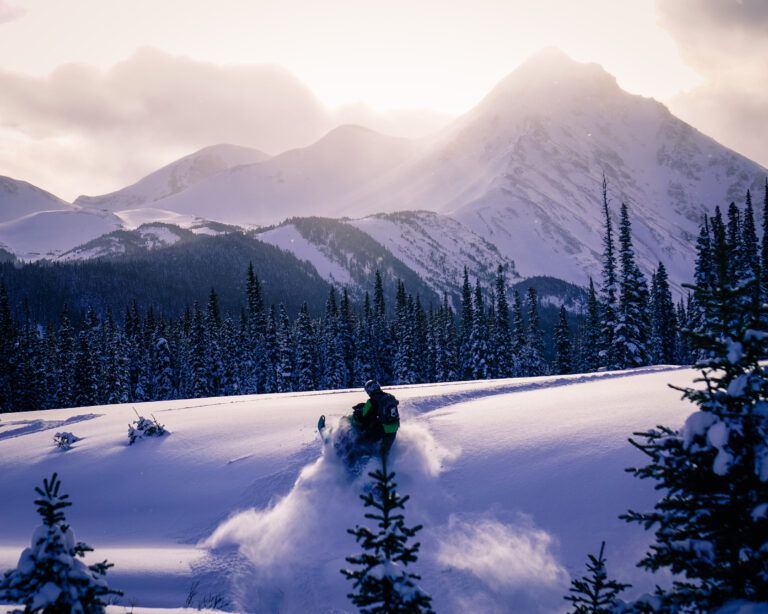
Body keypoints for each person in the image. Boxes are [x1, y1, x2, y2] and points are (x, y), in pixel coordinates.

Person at [351, 379, 400, 457]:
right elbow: (396, 402)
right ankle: (385, 464)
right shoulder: (390, 397)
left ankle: (359, 462)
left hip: (381, 430)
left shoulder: (372, 401)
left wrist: (358, 412)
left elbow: (364, 414)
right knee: (384, 453)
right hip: (393, 429)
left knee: (359, 443)